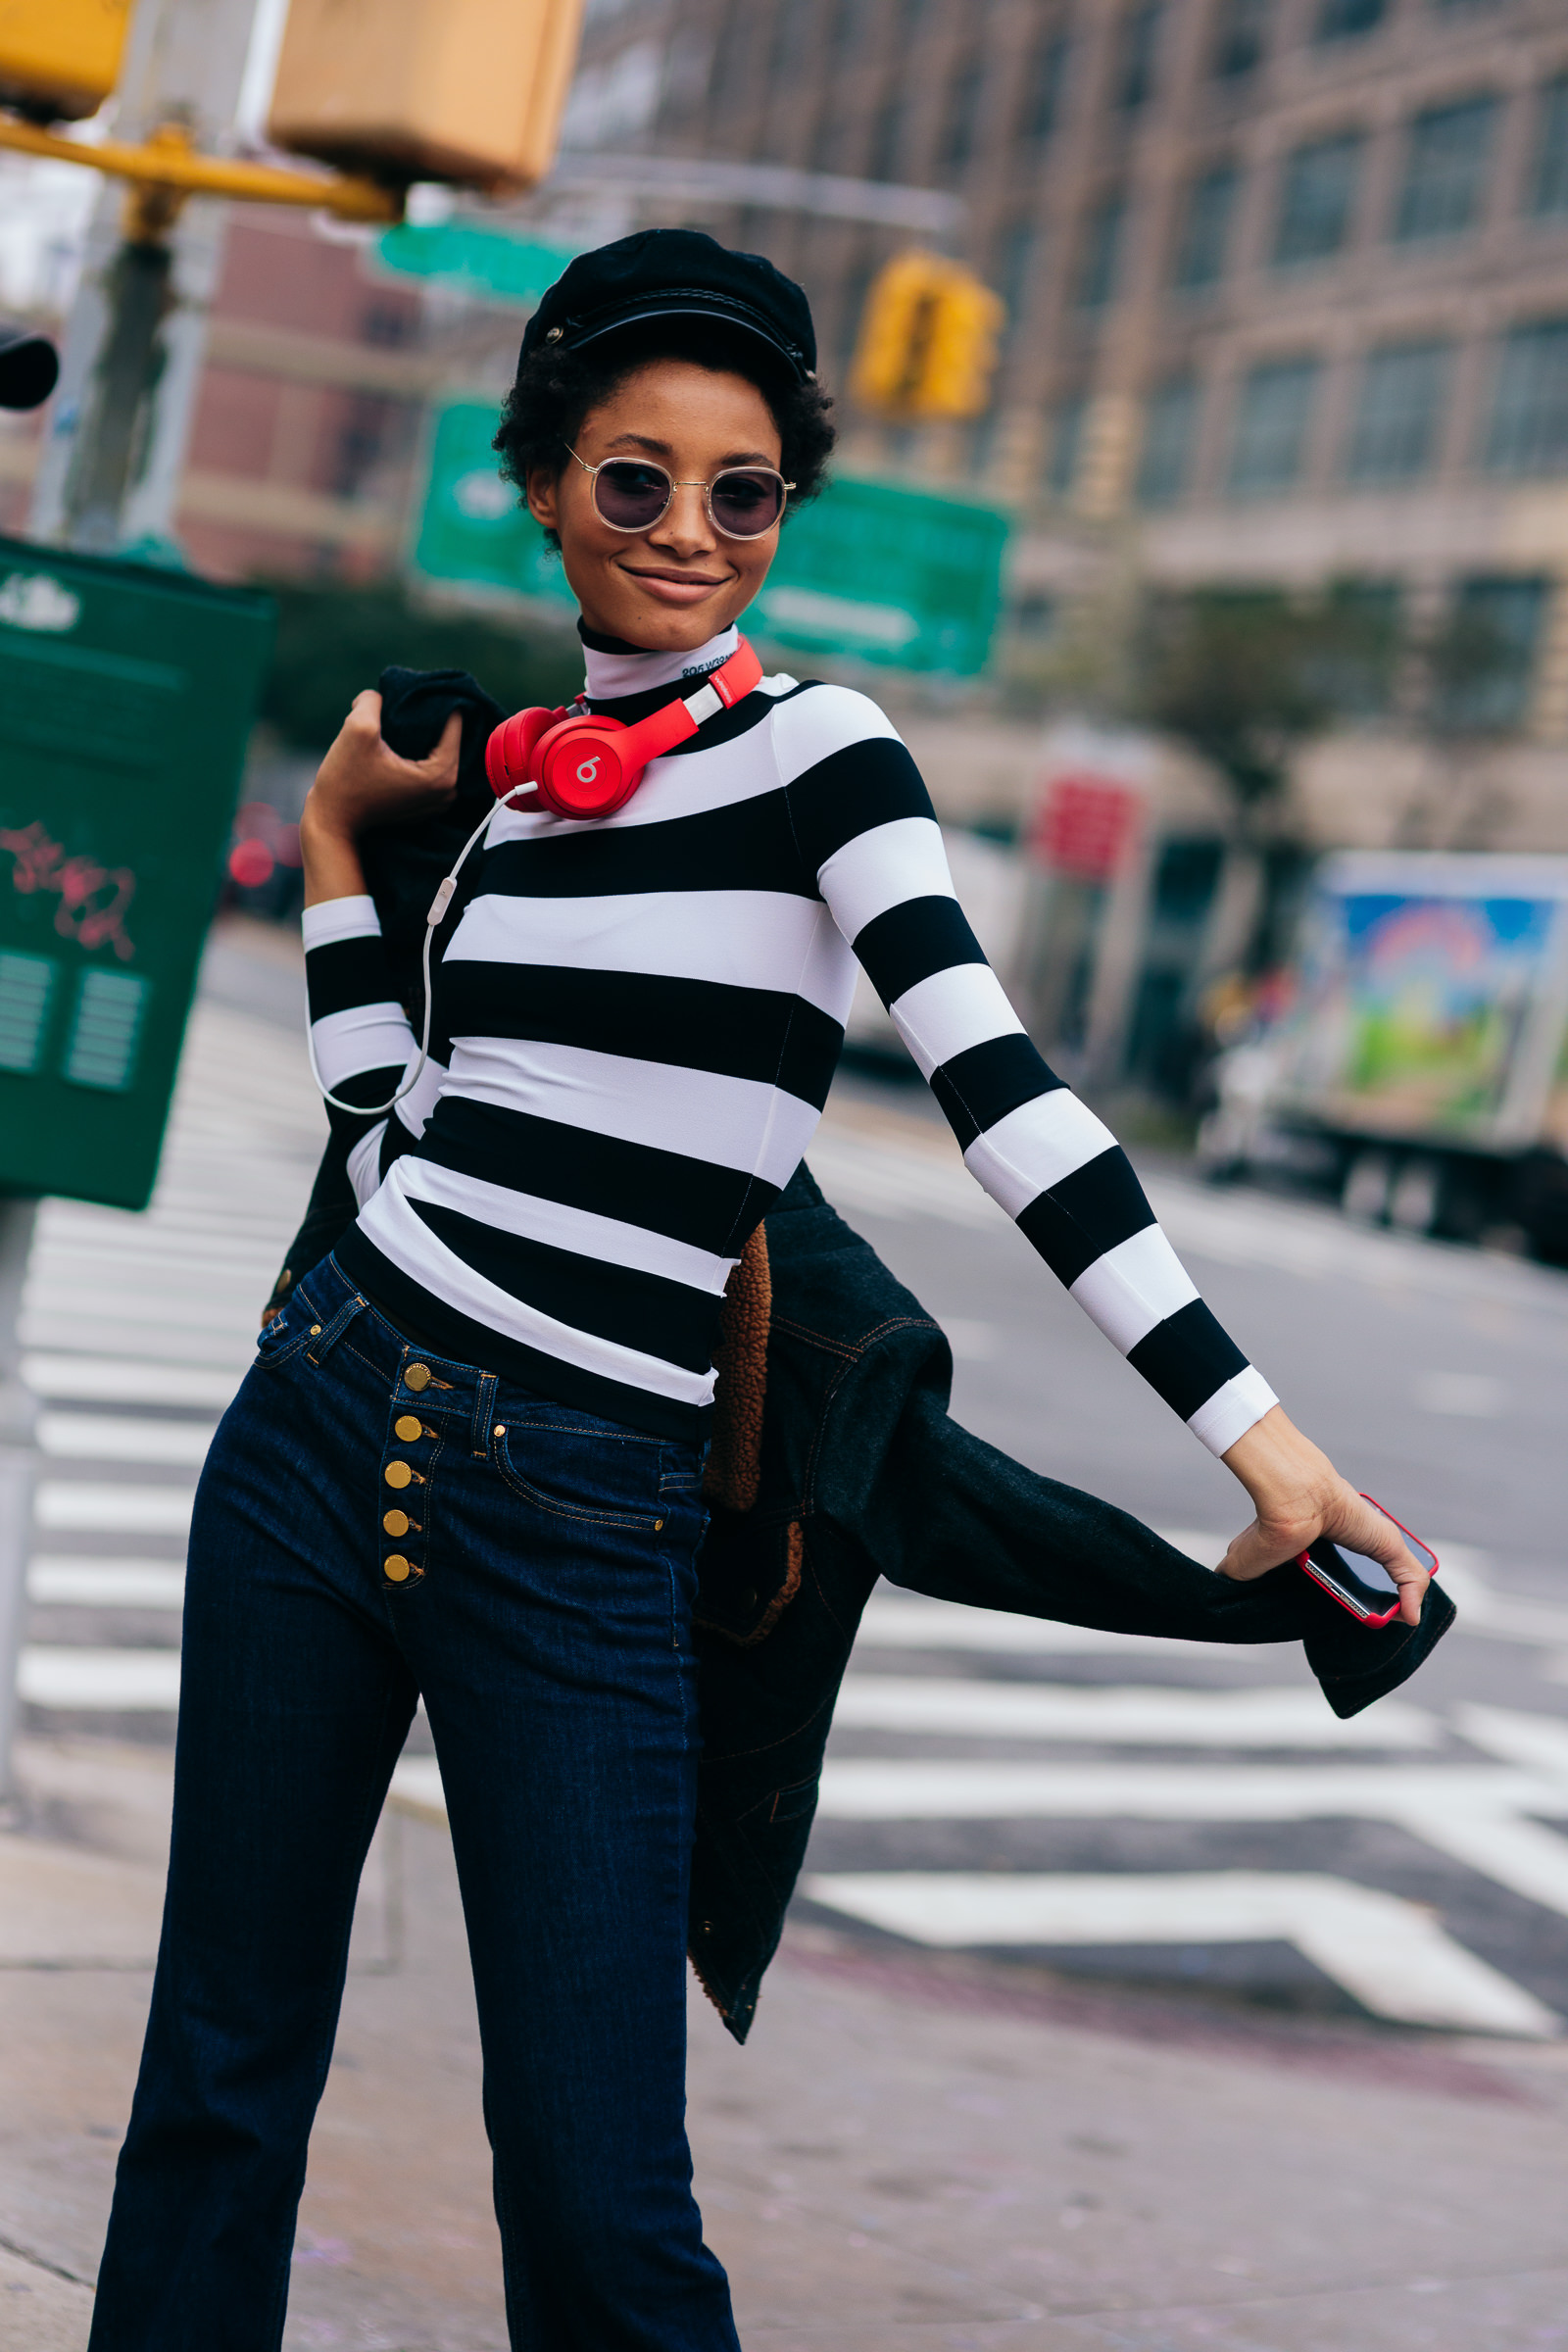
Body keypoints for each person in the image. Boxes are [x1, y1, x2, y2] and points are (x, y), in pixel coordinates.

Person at [88, 231, 1429, 2352]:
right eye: (635, 482)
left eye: (743, 492)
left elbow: (1005, 1104)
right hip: (320, 1426)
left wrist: (1251, 1438)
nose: (691, 535)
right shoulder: (514, 809)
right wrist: (350, 861)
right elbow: (389, 1146)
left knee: (606, 2205)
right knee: (219, 2094)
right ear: (543, 485)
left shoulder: (822, 755)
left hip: (584, 1516)